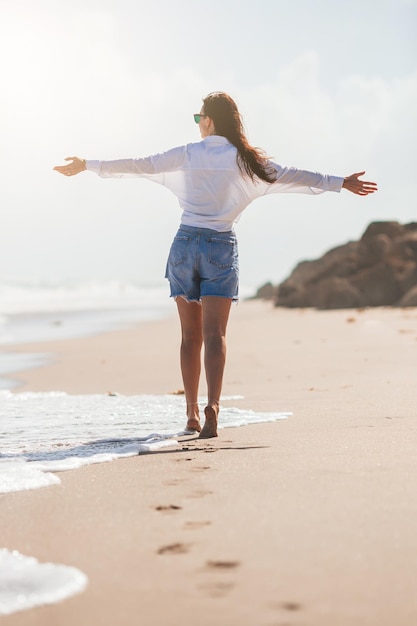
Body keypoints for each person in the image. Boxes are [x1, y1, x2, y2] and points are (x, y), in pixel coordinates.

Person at [54, 91, 377, 438]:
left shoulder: (189, 153)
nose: (197, 125)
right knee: (215, 335)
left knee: (189, 337)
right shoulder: (246, 160)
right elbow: (294, 174)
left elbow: (141, 164)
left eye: (198, 118)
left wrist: (88, 165)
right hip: (220, 247)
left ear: (209, 120)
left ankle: (191, 413)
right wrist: (340, 183)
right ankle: (213, 408)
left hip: (183, 246)